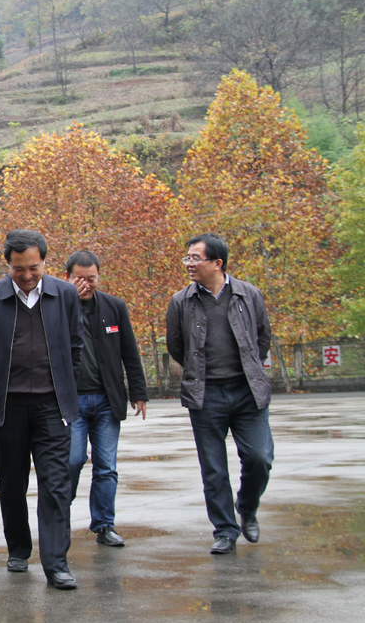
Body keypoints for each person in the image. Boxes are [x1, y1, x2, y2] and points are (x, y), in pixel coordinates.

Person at [0, 230, 82, 590]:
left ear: (44, 262)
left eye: (34, 267)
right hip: (7, 407)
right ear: (8, 265)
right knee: (12, 484)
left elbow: (75, 345)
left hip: (52, 406)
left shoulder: (64, 294)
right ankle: (18, 549)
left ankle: (56, 564)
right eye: (19, 269)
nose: (27, 275)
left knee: (55, 484)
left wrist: (63, 382)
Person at [166, 233, 273, 555]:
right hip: (206, 394)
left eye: (195, 258)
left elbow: (262, 337)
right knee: (213, 468)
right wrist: (199, 372)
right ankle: (225, 530)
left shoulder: (248, 294)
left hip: (247, 392)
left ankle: (247, 507)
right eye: (187, 258)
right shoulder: (181, 301)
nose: (189, 264)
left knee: (259, 458)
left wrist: (249, 368)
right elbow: (177, 346)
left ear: (217, 263)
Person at [64, 251, 148, 548]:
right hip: (71, 402)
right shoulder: (58, 307)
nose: (86, 284)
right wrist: (70, 301)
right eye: (79, 279)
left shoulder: (114, 306)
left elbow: (129, 351)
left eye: (92, 278)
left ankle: (104, 524)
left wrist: (139, 392)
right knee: (72, 460)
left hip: (107, 400)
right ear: (67, 278)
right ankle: (60, 513)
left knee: (106, 466)